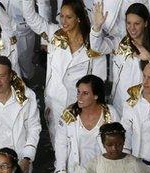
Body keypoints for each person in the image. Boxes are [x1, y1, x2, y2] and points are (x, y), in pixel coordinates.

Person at [21, 0, 106, 141]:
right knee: (58, 147)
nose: (64, 21)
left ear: (78, 18)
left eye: (69, 17)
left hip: (81, 104)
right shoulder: (54, 33)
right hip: (55, 102)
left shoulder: (93, 42)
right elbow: (30, 17)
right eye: (62, 16)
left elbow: (99, 78)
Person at [54, 74, 119, 173]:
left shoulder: (109, 113)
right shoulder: (69, 114)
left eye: (85, 93)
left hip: (102, 168)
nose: (79, 97)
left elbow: (119, 140)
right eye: (78, 92)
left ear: (96, 95)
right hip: (77, 169)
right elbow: (61, 144)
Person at [90, 3, 150, 111]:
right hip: (120, 107)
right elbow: (97, 47)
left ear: (146, 23)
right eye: (128, 23)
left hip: (148, 109)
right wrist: (97, 27)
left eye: (137, 23)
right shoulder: (119, 42)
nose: (132, 28)